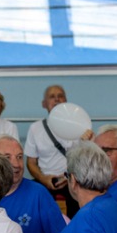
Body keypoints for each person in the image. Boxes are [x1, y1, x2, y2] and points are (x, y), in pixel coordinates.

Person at [25, 84, 86, 217]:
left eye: (60, 96)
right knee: (33, 206)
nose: (57, 99)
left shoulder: (80, 127)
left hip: (72, 178)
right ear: (44, 104)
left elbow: (85, 160)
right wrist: (43, 178)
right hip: (44, 179)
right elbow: (31, 162)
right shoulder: (35, 128)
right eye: (52, 97)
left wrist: (69, 177)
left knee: (80, 205)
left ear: (66, 101)